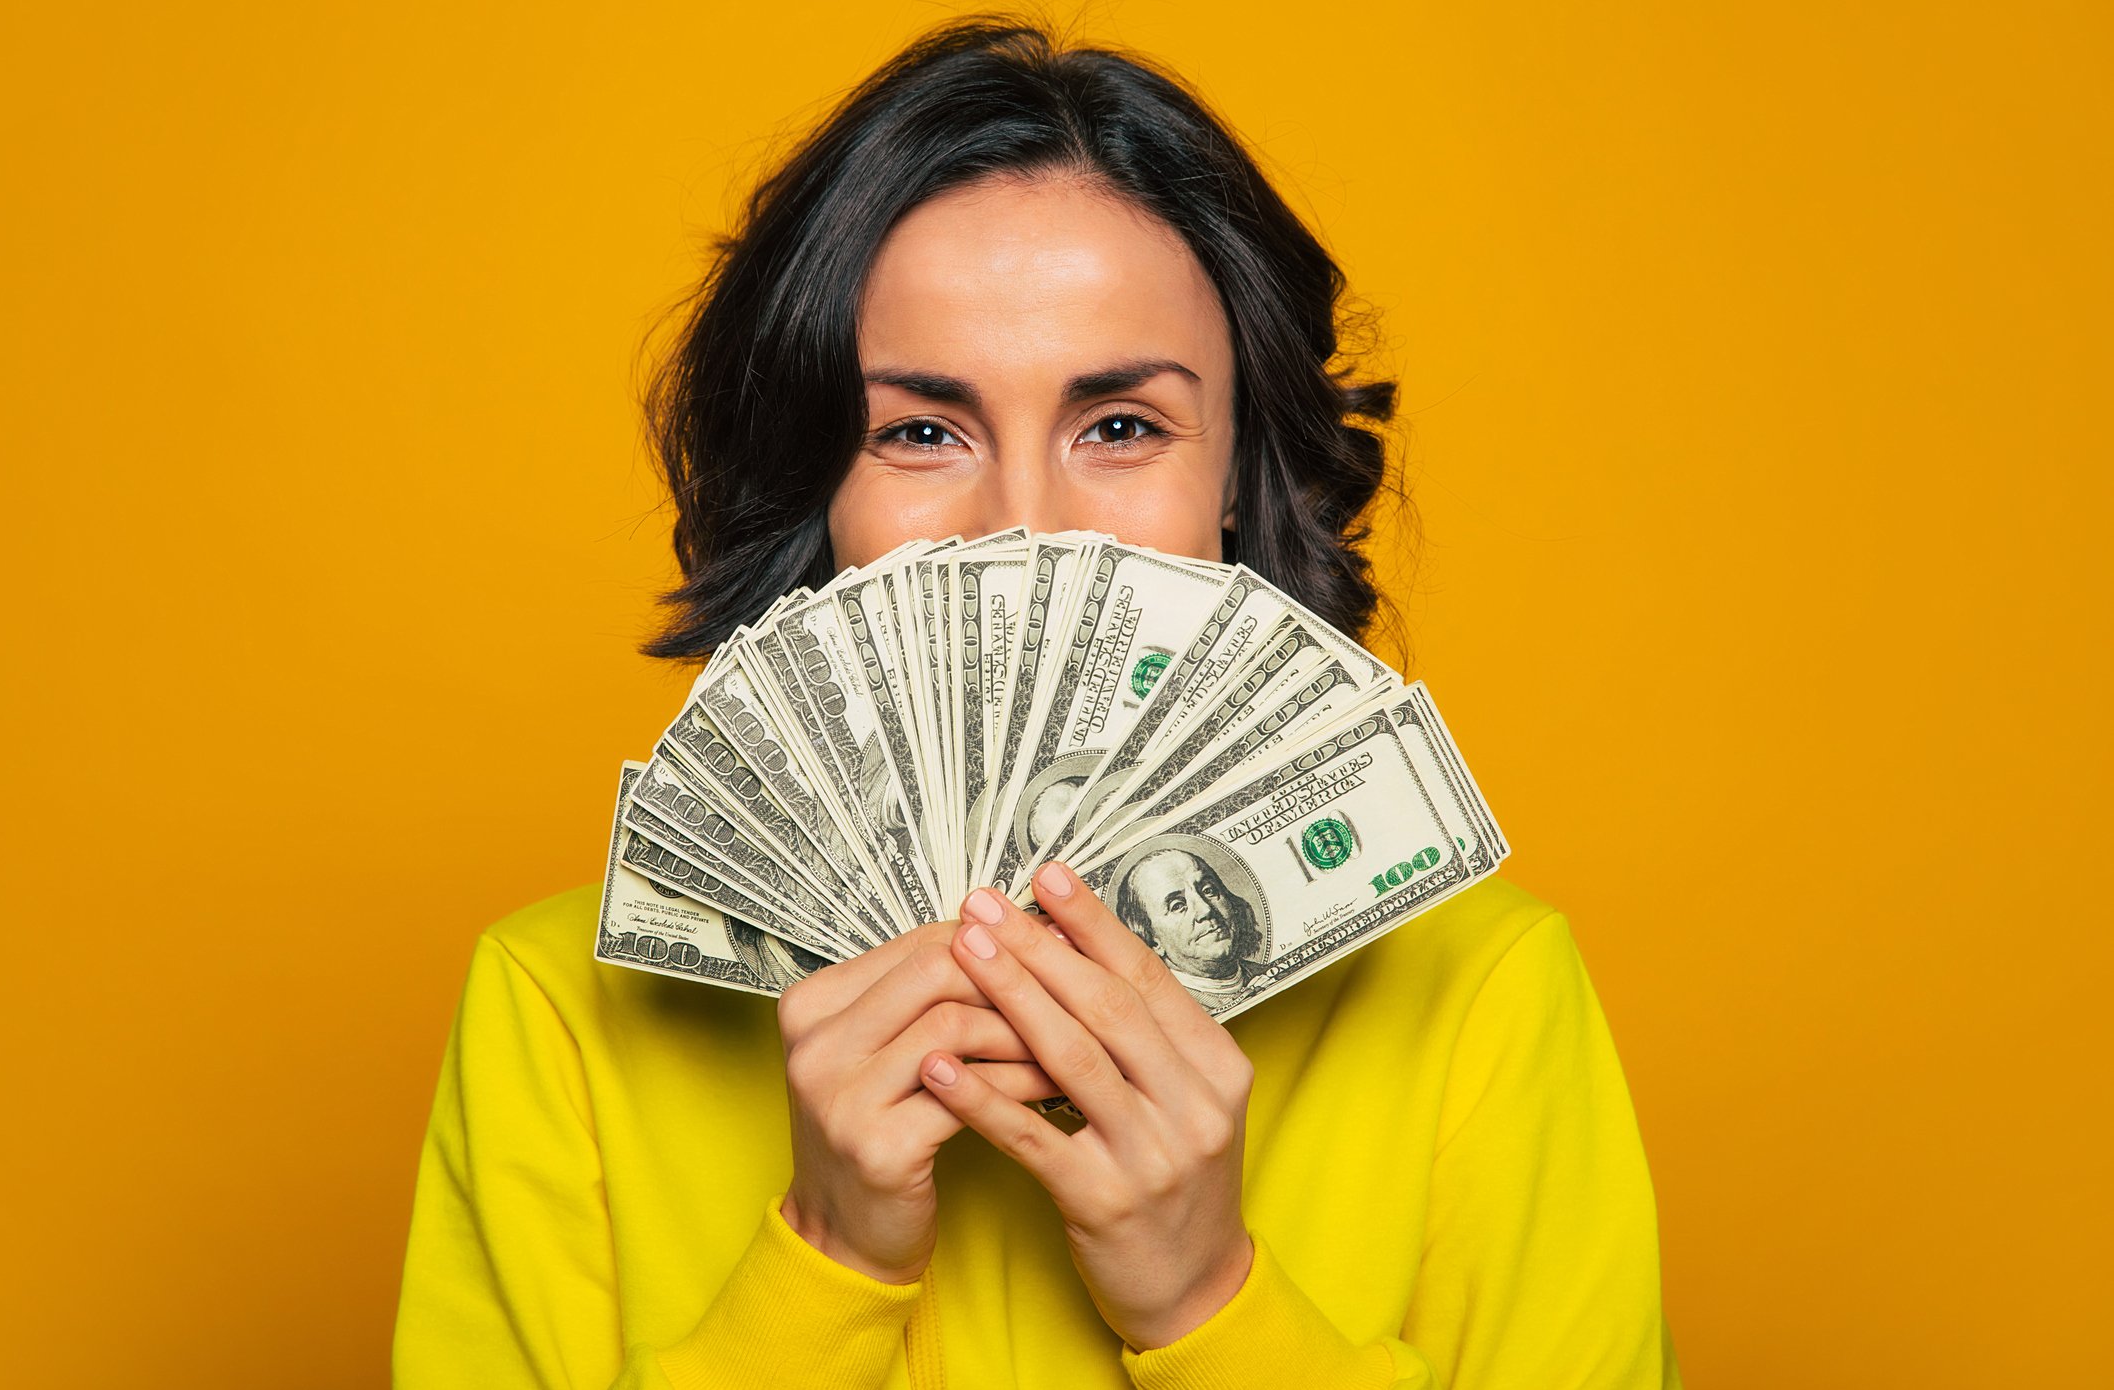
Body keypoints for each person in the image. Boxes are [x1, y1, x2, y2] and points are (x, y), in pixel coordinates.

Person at [394, 18, 1682, 1388]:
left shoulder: (1477, 995)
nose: (1023, 526)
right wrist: (823, 1261)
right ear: (813, 486)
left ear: (1237, 477)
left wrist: (1208, 1300)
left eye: (1120, 426)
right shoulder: (561, 1013)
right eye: (920, 431)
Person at [1111, 844, 1268, 1011]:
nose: (1205, 910)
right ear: (1152, 941)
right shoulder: (1166, 1013)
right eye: (1178, 906)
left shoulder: (1270, 974)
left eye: (1208, 890)